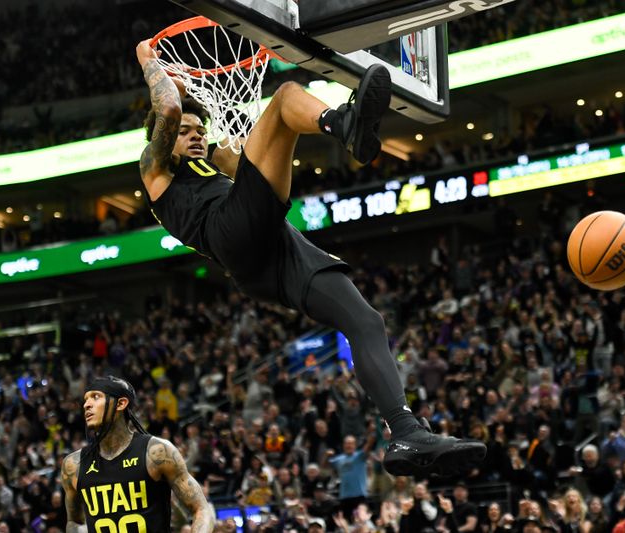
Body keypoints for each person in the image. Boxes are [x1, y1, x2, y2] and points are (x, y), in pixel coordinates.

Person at [135, 37, 485, 478]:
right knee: (283, 99)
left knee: (365, 320)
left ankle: (404, 432)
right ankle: (344, 124)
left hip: (271, 249)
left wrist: (232, 130)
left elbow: (250, 157)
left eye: (199, 130)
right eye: (186, 132)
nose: (196, 135)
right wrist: (150, 63)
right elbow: (166, 110)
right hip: (228, 234)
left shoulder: (214, 159)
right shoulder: (155, 166)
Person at [60, 376, 215, 532]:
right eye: (86, 399)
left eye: (96, 397)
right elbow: (75, 522)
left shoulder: (157, 453)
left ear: (121, 403)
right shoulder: (73, 465)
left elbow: (202, 509)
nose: (86, 404)